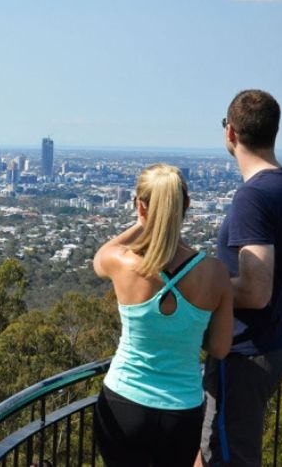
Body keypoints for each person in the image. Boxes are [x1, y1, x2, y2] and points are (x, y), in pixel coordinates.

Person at [92, 163, 233, 467]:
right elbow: (220, 348)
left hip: (122, 402)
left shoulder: (122, 262)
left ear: (140, 207)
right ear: (187, 207)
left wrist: (144, 222)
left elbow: (99, 258)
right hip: (181, 410)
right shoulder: (214, 273)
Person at [199, 90, 282, 467]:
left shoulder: (253, 197)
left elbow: (256, 290)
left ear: (231, 133)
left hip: (244, 353)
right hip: (274, 345)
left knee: (227, 458)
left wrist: (199, 288)